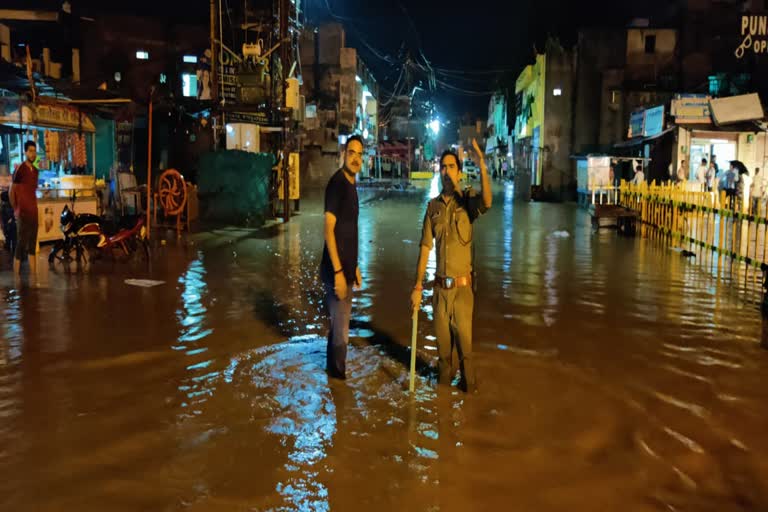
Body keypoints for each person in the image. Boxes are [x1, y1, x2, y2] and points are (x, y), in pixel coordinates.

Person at [410, 139, 492, 393]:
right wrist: (417, 286)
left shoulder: (468, 202)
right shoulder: (432, 207)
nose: (446, 171)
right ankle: (443, 409)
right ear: (440, 171)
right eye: (443, 167)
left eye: (451, 166)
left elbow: (488, 202)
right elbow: (425, 247)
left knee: (466, 355)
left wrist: (482, 166)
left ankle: (470, 406)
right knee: (444, 357)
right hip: (439, 292)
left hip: (463, 293)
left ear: (458, 171)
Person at [320, 135, 364, 380]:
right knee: (342, 332)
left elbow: (349, 230)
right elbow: (328, 228)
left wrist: (354, 266)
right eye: (352, 153)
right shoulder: (337, 184)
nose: (356, 158)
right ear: (343, 154)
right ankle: (339, 386)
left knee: (338, 327)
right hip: (335, 271)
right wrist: (338, 271)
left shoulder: (352, 185)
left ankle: (332, 375)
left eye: (359, 154)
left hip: (346, 270)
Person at [9, 141, 39, 275]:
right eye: (30, 151)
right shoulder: (19, 168)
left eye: (34, 151)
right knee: (20, 245)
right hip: (22, 213)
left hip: (34, 212)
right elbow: (11, 190)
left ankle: (34, 278)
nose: (33, 154)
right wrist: (16, 209)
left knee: (32, 246)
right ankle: (16, 279)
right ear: (25, 152)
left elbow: (32, 191)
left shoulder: (36, 171)